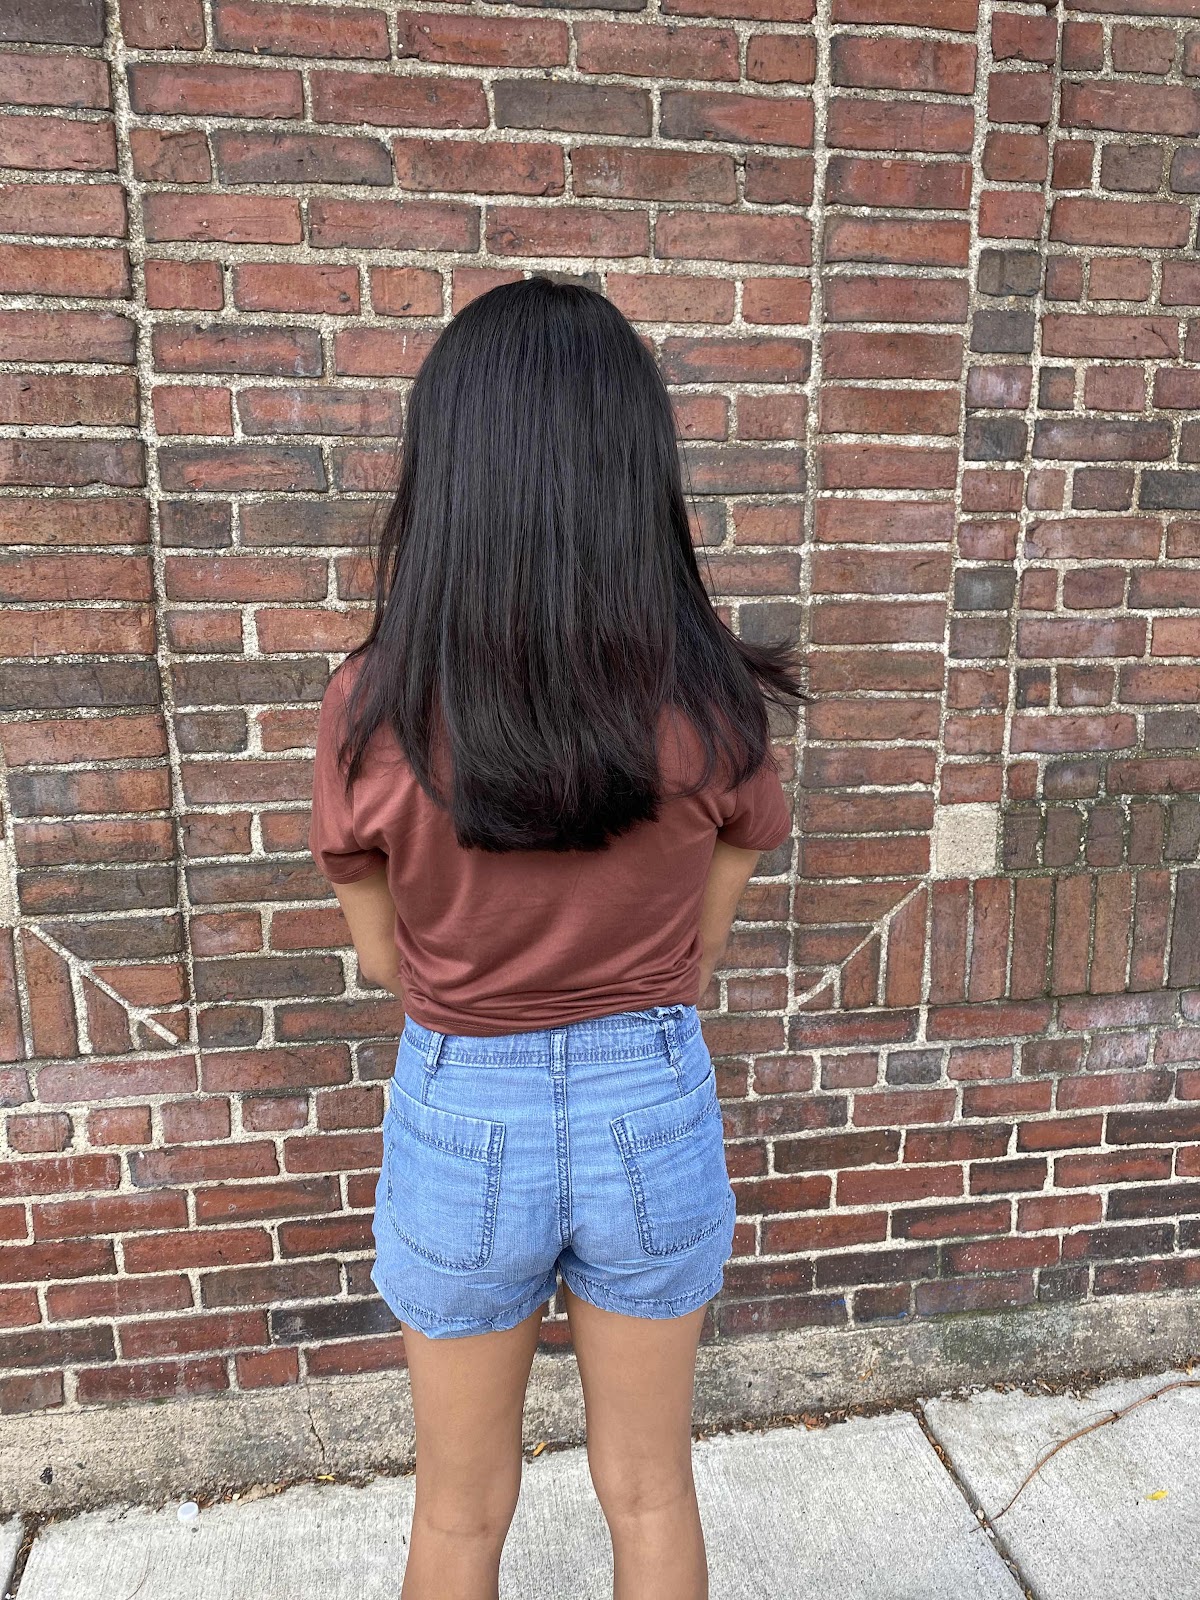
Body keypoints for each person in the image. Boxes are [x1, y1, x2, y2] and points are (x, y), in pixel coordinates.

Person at [308, 273, 804, 1600]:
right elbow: (708, 929)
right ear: (636, 472)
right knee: (650, 1492)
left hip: (463, 1108)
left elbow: (383, 958)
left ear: (448, 475)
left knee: (459, 1516)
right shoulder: (710, 697)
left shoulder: (373, 707)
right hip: (651, 1096)